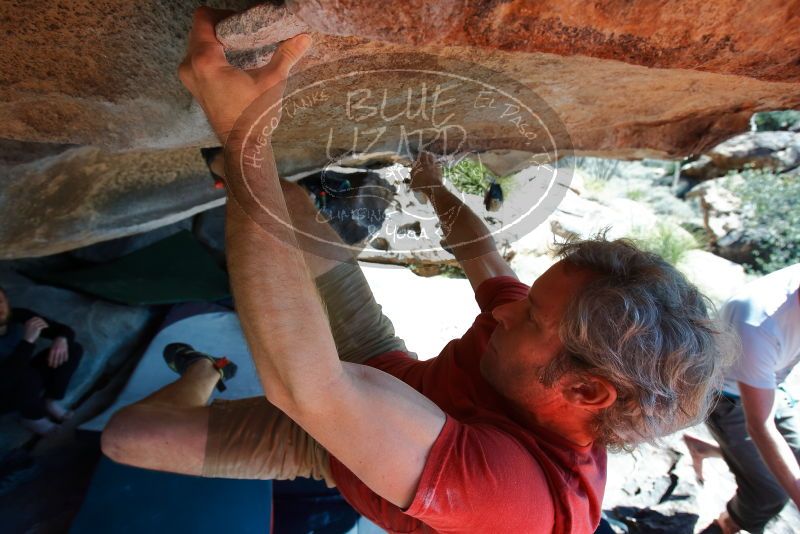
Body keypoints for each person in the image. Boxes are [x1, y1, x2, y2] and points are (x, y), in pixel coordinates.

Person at [101, 8, 726, 533]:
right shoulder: (548, 343)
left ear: (587, 392)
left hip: (341, 446)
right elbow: (479, 252)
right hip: (384, 368)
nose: (501, 308)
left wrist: (246, 139)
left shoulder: (521, 503)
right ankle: (260, 254)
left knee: (128, 437)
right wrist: (430, 181)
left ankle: (209, 367)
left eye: (531, 315)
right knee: (284, 207)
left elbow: (312, 393)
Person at [685, 263, 800, 534]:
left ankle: (711, 451)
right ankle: (724, 526)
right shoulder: (758, 322)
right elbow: (760, 425)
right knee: (769, 493)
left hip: (770, 383)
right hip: (726, 397)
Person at [0, 286, 84, 435]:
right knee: (26, 376)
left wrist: (61, 338)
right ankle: (33, 417)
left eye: (0, 301)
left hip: (23, 375)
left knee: (71, 349)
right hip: (4, 393)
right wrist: (27, 342)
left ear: (7, 301)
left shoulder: (17, 315)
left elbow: (62, 329)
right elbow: (4, 378)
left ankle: (50, 402)